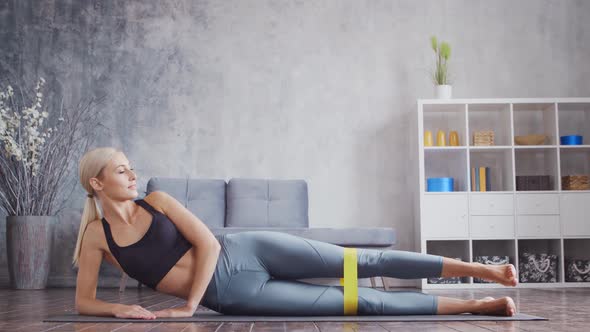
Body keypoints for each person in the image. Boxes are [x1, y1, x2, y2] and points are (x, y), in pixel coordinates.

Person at [73, 147, 518, 320]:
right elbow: (82, 301)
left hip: (246, 249)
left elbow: (208, 242)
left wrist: (189, 306)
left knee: (365, 262)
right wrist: (119, 310)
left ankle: (484, 270)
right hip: (232, 294)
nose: (132, 174)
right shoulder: (97, 236)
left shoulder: (159, 200)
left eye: (132, 167)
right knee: (359, 303)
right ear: (97, 182)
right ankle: (479, 304)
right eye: (121, 170)